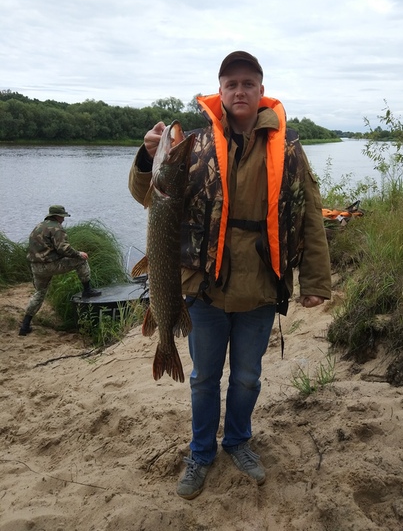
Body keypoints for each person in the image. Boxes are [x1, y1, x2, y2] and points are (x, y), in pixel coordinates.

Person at [129, 51, 331, 499]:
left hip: (260, 287)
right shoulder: (195, 145)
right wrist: (146, 159)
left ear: (261, 92)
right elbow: (148, 196)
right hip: (203, 288)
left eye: (248, 83)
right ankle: (201, 452)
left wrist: (316, 282)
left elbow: (311, 218)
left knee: (245, 377)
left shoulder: (290, 150)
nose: (239, 91)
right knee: (203, 377)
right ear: (220, 92)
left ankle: (237, 441)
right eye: (231, 84)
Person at [18, 204, 101, 336]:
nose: (63, 219)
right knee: (81, 261)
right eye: (62, 217)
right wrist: (79, 253)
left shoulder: (38, 227)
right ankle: (87, 290)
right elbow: (64, 249)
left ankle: (25, 325)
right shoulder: (57, 228)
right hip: (51, 265)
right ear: (58, 216)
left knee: (39, 293)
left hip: (36, 267)